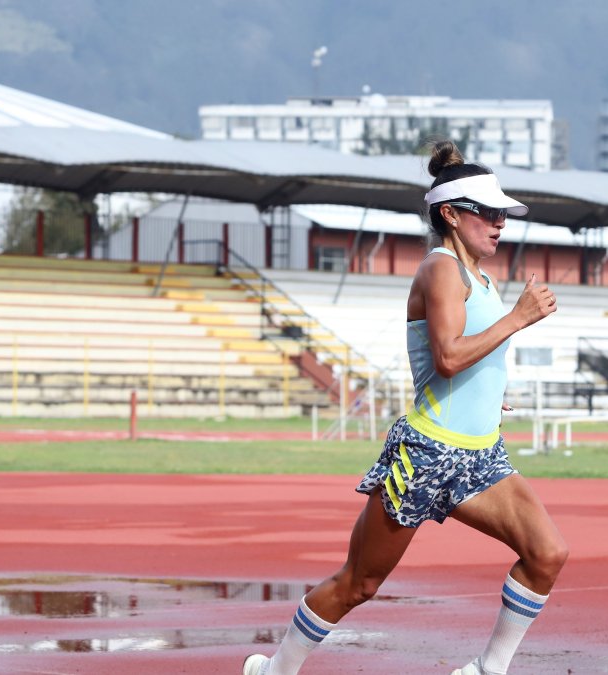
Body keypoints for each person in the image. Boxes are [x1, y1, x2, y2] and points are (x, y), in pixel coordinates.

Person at [243, 140, 568, 675]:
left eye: (502, 214)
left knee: (547, 554)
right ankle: (274, 670)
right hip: (426, 454)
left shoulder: (481, 278)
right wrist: (518, 318)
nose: (499, 223)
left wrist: (489, 389)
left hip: (481, 454)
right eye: (487, 212)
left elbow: (467, 357)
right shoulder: (440, 271)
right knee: (360, 583)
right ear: (450, 214)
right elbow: (445, 357)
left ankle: (487, 669)